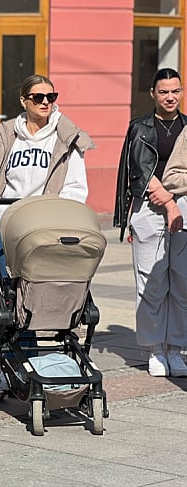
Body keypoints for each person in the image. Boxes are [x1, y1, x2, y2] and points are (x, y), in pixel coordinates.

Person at [0, 74, 95, 386]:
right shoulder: (9, 135)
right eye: (38, 97)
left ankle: (42, 367)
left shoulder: (67, 137)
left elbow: (76, 189)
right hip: (7, 230)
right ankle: (12, 369)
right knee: (11, 304)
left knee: (41, 300)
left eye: (51, 96)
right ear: (23, 101)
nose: (46, 101)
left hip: (46, 231)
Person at [114, 68, 187, 378]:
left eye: (175, 91)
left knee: (182, 282)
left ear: (181, 93)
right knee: (151, 282)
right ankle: (156, 348)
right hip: (149, 205)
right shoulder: (141, 127)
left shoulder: (186, 126)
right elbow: (140, 171)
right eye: (163, 91)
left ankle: (176, 348)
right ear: (153, 95)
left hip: (185, 203)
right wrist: (167, 201)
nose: (169, 96)